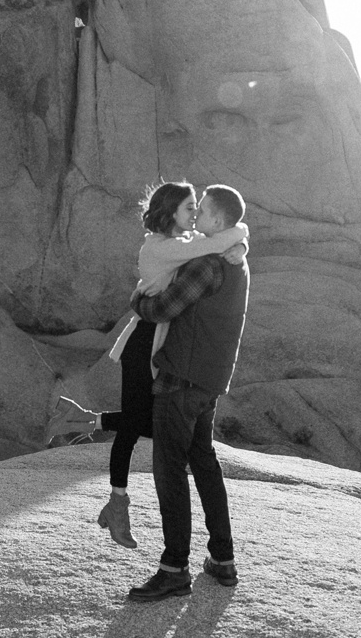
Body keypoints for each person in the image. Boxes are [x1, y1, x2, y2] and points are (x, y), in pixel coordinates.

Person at [45, 182, 247, 549]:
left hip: (158, 340)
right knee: (138, 425)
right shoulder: (162, 248)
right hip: (144, 340)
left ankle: (83, 421)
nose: (194, 214)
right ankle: (117, 502)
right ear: (171, 213)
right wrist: (240, 237)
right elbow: (216, 242)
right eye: (190, 208)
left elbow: (219, 237)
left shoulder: (183, 243)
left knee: (152, 422)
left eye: (198, 208)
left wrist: (241, 242)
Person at [125, 183, 250, 602]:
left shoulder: (207, 265)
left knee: (170, 471)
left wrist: (137, 299)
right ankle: (222, 558)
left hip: (181, 379)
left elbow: (162, 309)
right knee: (204, 463)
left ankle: (174, 569)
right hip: (210, 379)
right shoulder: (235, 260)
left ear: (218, 220)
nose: (196, 218)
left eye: (203, 211)